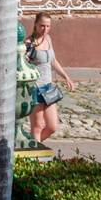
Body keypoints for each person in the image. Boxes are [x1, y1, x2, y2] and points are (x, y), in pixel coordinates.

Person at [19, 10, 69, 147]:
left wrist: (66, 77)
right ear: (35, 24)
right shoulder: (29, 42)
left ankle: (32, 147)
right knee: (37, 126)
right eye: (42, 26)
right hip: (35, 89)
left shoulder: (48, 38)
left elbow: (53, 61)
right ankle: (35, 156)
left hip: (48, 87)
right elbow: (22, 64)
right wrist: (26, 57)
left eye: (47, 26)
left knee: (53, 127)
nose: (45, 29)